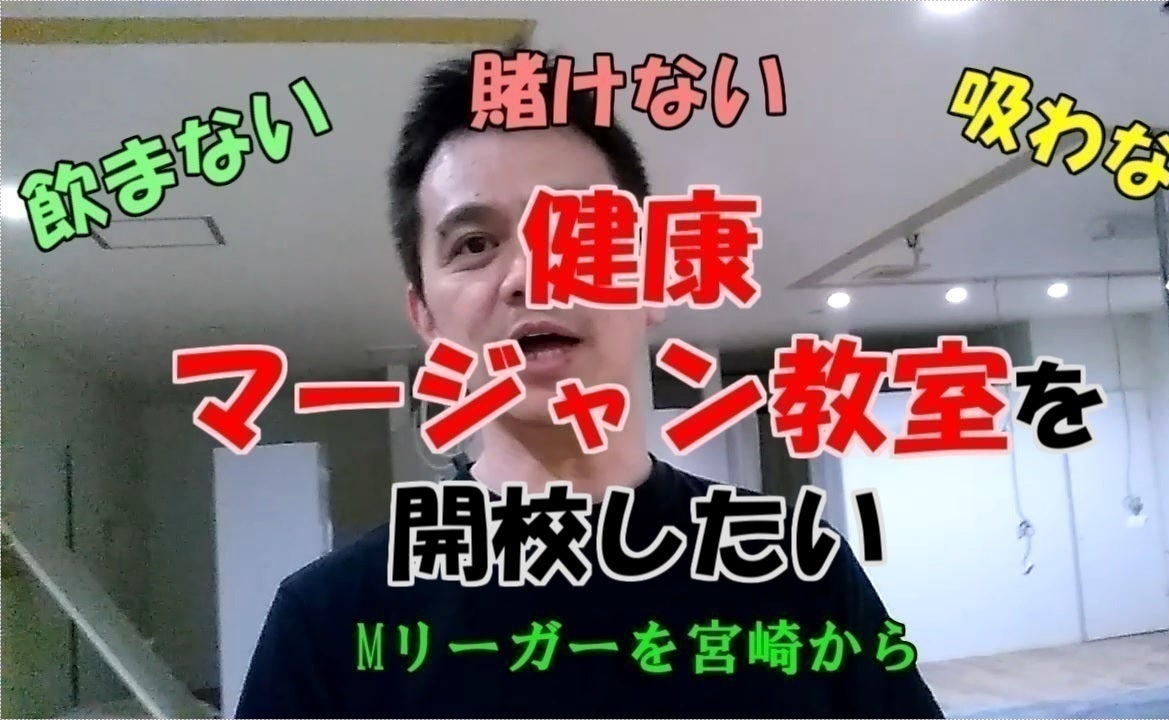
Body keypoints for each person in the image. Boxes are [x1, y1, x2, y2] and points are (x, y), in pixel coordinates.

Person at [235, 47, 944, 719]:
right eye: (475, 244)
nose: (530, 276)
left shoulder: (801, 575)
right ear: (424, 315)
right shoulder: (327, 626)